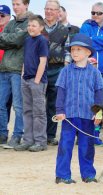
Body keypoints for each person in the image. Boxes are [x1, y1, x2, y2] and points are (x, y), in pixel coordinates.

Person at [55, 33, 103, 184]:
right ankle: (62, 175)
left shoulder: (95, 73)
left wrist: (98, 113)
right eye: (73, 49)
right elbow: (61, 92)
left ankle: (88, 174)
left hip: (88, 117)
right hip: (69, 117)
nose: (75, 52)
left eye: (79, 49)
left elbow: (99, 94)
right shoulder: (65, 71)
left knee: (87, 147)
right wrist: (59, 110)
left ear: (88, 52)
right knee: (65, 146)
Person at [14, 15, 49, 152]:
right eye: (29, 25)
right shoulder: (28, 40)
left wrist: (37, 80)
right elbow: (26, 59)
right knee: (27, 111)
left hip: (37, 81)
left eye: (34, 25)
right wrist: (23, 75)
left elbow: (43, 61)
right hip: (26, 80)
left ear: (41, 27)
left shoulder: (42, 41)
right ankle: (28, 140)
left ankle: (40, 142)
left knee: (39, 112)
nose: (30, 28)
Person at [0, 0, 31, 148]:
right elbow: (2, 41)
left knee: (18, 106)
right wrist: (10, 39)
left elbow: (19, 40)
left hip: (18, 70)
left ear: (26, 5)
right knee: (1, 104)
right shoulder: (11, 23)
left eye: (18, 4)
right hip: (4, 68)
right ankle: (2, 134)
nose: (15, 7)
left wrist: (9, 39)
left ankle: (17, 136)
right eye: (13, 4)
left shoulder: (30, 21)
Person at [43, 0, 71, 146]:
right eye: (47, 9)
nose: (49, 12)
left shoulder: (64, 29)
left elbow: (67, 50)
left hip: (57, 69)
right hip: (38, 70)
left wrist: (65, 69)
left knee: (53, 104)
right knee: (38, 104)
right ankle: (38, 135)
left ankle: (50, 135)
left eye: (52, 9)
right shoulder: (37, 26)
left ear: (58, 11)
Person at [80, 2, 103, 85]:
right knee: (86, 97)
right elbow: (85, 44)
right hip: (86, 71)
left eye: (99, 13)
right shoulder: (86, 27)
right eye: (93, 13)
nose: (95, 15)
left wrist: (94, 38)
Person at [0, 4, 13, 146]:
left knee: (7, 103)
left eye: (2, 15)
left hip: (10, 70)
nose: (0, 18)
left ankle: (3, 133)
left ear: (8, 17)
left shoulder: (10, 30)